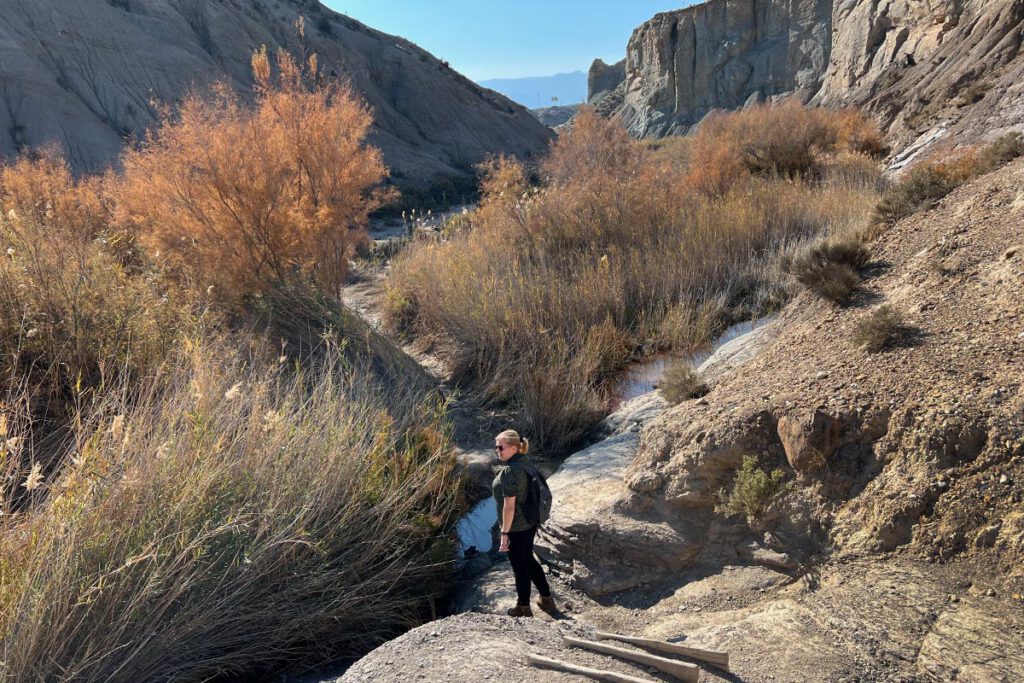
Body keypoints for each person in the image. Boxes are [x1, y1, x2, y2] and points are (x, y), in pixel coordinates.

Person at [493, 429, 556, 617]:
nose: (497, 450)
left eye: (500, 447)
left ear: (513, 448)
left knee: (520, 567)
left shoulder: (511, 471)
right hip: (529, 522)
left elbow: (509, 506)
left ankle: (523, 607)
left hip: (517, 527)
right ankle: (547, 599)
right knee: (529, 561)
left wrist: (504, 533)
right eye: (496, 446)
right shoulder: (525, 462)